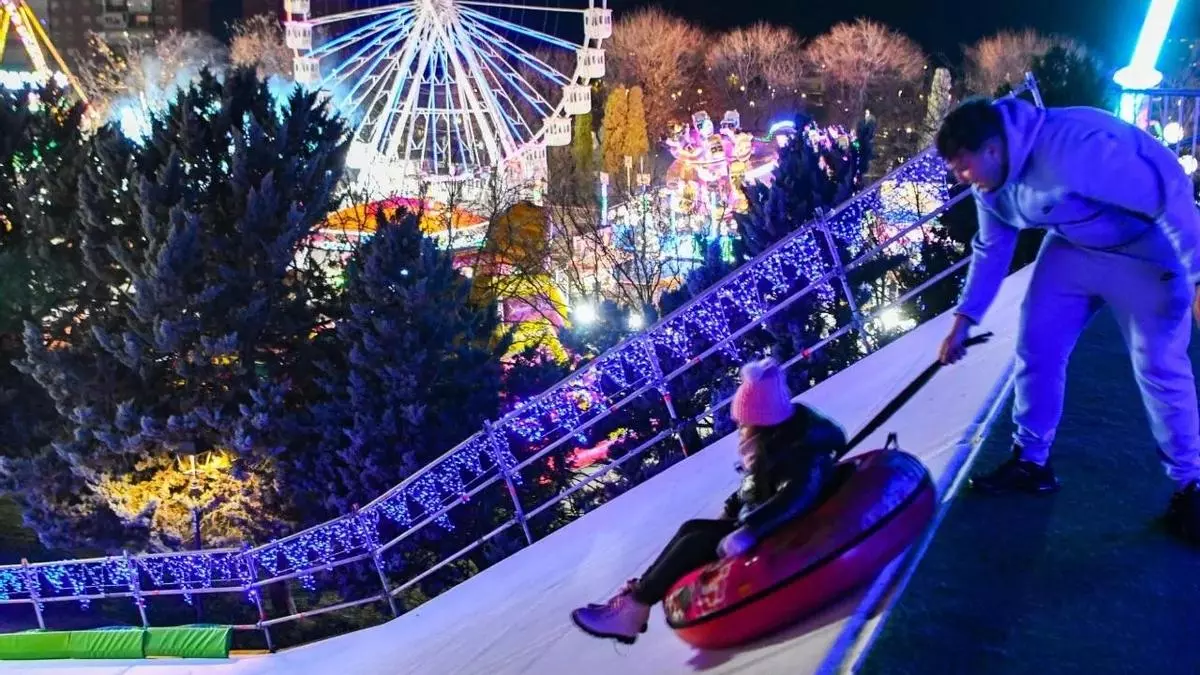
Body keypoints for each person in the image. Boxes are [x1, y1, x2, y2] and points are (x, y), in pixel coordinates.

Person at [935, 95, 1200, 543]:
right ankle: (1031, 461)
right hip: (1075, 246)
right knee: (1037, 342)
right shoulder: (991, 183)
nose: (962, 178)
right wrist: (965, 319)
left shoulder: (1073, 146)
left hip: (1146, 249)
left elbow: (1168, 194)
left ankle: (1191, 484)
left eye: (964, 166)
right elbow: (993, 248)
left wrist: (1198, 276)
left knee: (1159, 364)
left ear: (992, 148)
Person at [569, 357, 844, 644]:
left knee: (696, 543)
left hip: (777, 526)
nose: (739, 428)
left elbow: (794, 495)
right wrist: (733, 506)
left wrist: (751, 530)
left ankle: (634, 607)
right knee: (692, 528)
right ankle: (636, 601)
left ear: (760, 421)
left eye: (744, 423)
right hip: (759, 516)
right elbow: (758, 484)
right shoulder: (771, 445)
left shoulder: (798, 454)